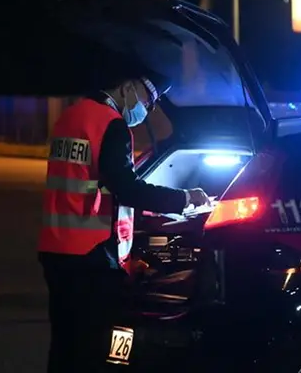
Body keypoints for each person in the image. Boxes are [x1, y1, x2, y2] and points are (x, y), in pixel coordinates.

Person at [38, 72, 211, 372]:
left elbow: (94, 183)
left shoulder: (70, 116)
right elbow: (127, 188)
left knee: (64, 346)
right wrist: (184, 200)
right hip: (89, 257)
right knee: (92, 353)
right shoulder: (111, 124)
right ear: (127, 87)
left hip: (55, 250)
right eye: (149, 98)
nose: (150, 108)